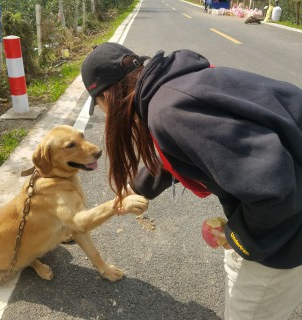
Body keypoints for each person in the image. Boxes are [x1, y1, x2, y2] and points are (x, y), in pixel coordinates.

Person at [81, 42, 302, 320]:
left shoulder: (169, 113)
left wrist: (237, 237)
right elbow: (184, 147)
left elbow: (275, 191)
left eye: (99, 105)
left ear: (107, 97)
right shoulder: (174, 85)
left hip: (290, 225)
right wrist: (136, 189)